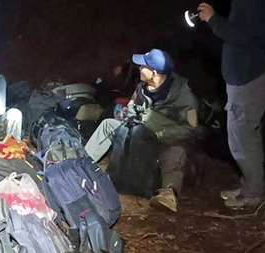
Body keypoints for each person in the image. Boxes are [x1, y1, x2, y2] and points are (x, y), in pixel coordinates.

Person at [197, 0, 265, 208]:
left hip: (248, 80)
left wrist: (213, 20)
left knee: (242, 139)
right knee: (242, 137)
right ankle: (249, 185)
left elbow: (243, 35)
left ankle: (254, 193)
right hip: (242, 78)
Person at [84, 49, 200, 213]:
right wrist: (127, 113)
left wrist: (161, 134)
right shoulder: (142, 88)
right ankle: (81, 164)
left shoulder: (183, 95)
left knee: (175, 153)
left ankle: (169, 194)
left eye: (143, 66)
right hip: (140, 135)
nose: (139, 68)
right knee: (108, 124)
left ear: (154, 73)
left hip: (164, 139)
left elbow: (191, 128)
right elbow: (132, 107)